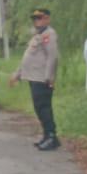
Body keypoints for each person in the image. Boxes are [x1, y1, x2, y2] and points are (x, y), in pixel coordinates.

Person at [9, 8, 60, 150]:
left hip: (42, 78)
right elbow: (28, 58)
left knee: (44, 108)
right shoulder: (38, 35)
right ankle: (46, 135)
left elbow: (52, 57)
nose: (37, 21)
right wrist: (17, 74)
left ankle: (51, 136)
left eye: (40, 18)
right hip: (33, 77)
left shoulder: (49, 34)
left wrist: (49, 77)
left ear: (47, 19)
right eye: (35, 18)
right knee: (39, 108)